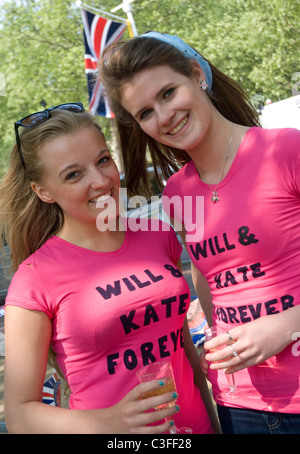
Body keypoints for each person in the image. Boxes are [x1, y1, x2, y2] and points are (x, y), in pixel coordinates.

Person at [97, 31, 300, 434]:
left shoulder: (284, 151)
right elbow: (206, 272)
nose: (163, 116)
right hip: (239, 404)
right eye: (145, 113)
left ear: (196, 75)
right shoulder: (177, 191)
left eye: (168, 93)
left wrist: (288, 323)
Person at [1, 103, 216, 434]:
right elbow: (19, 416)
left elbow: (181, 346)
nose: (101, 180)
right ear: (42, 191)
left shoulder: (158, 236)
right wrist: (109, 422)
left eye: (103, 160)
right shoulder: (35, 278)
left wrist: (213, 424)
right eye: (74, 174)